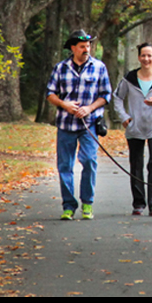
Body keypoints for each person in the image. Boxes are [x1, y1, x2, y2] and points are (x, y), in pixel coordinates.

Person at [46, 30, 112, 221]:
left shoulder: (99, 67)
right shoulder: (61, 68)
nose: (86, 49)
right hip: (65, 124)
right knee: (64, 165)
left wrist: (89, 108)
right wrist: (64, 104)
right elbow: (50, 93)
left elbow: (106, 95)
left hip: (89, 124)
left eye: (88, 46)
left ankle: (87, 203)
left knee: (89, 161)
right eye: (82, 47)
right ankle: (68, 206)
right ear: (73, 48)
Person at [112, 42, 152, 216]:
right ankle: (139, 203)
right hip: (135, 127)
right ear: (139, 57)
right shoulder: (130, 78)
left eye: (149, 55)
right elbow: (117, 97)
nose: (146, 59)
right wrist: (124, 117)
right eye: (143, 55)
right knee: (136, 165)